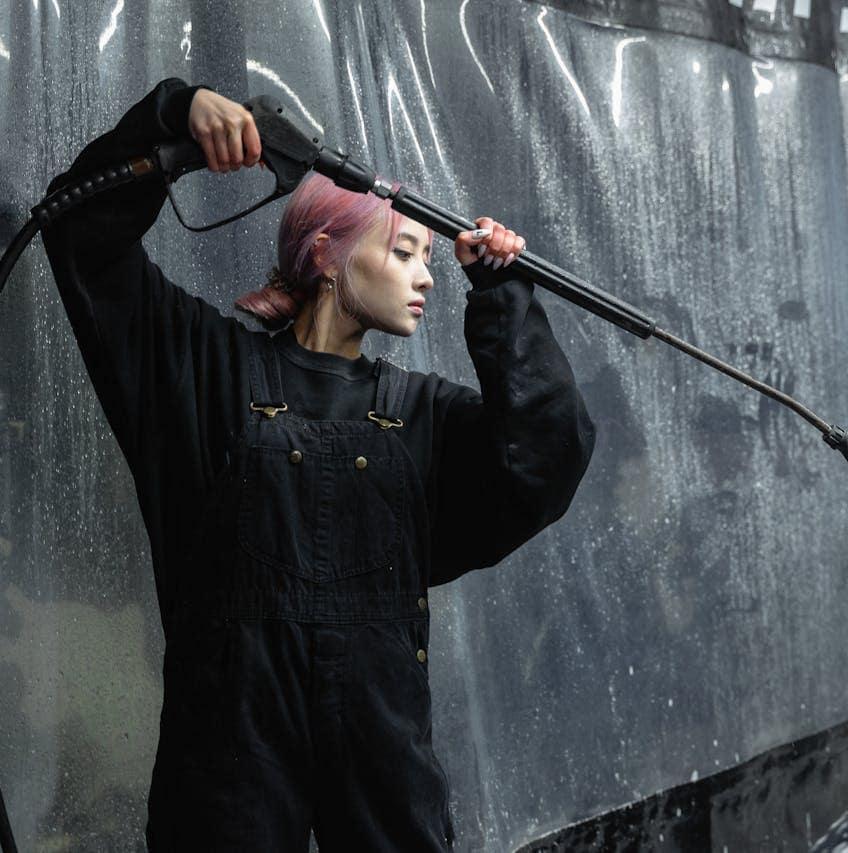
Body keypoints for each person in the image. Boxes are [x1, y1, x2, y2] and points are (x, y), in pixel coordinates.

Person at [39, 77, 596, 851]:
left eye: (430, 258)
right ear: (328, 254)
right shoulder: (201, 372)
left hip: (386, 756)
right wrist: (175, 116)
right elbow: (81, 233)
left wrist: (503, 297)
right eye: (405, 250)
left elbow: (549, 454)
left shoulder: (425, 418)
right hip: (227, 762)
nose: (428, 275)